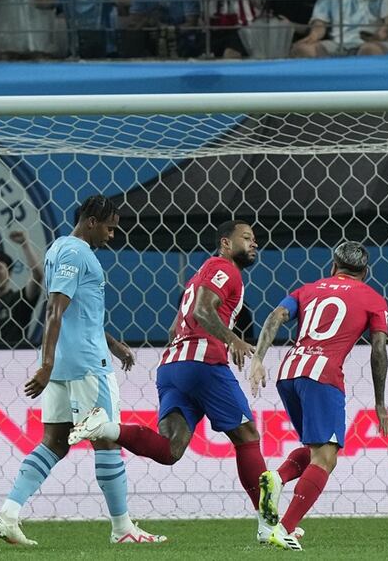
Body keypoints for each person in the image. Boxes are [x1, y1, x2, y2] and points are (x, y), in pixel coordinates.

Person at [69, 220, 271, 545]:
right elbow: (204, 312)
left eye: (255, 239)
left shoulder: (198, 276)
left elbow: (179, 323)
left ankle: (105, 428)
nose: (253, 243)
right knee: (247, 436)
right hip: (203, 364)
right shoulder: (224, 267)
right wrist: (231, 339)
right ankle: (269, 524)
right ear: (224, 242)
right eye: (246, 238)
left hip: (172, 365)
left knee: (169, 450)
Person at [0, 196, 165, 546]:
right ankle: (122, 528)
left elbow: (78, 312)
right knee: (108, 440)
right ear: (91, 221)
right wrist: (45, 365)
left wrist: (111, 342)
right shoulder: (76, 253)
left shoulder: (59, 248)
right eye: (110, 227)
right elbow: (55, 310)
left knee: (54, 443)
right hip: (84, 364)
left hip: (67, 362)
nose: (112, 236)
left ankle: (7, 515)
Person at [247, 241, 388, 550]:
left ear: (332, 267)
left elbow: (275, 317)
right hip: (323, 375)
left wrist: (258, 358)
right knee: (326, 457)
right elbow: (378, 349)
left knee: (316, 451)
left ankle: (276, 478)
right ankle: (284, 527)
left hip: (290, 370)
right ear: (365, 272)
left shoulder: (306, 289)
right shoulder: (373, 299)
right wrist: (379, 402)